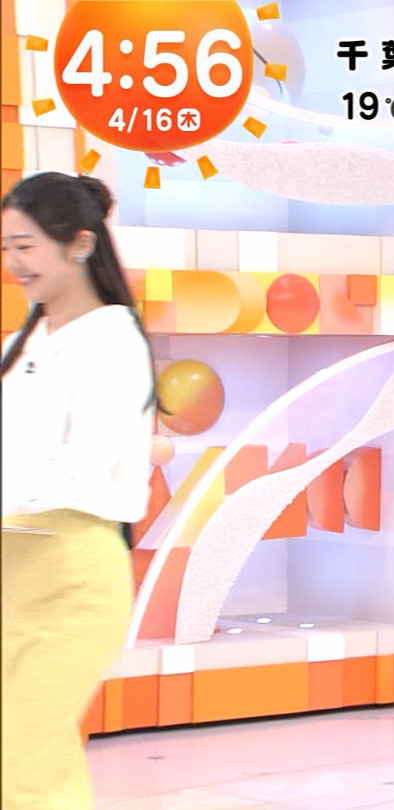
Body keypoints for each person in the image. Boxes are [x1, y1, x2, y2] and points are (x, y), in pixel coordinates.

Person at [2, 172, 157, 809]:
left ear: (80, 244)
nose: (14, 264)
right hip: (14, 571)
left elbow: (84, 468)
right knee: (27, 758)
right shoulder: (27, 340)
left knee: (22, 759)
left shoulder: (113, 341)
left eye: (26, 246)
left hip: (73, 578)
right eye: (6, 248)